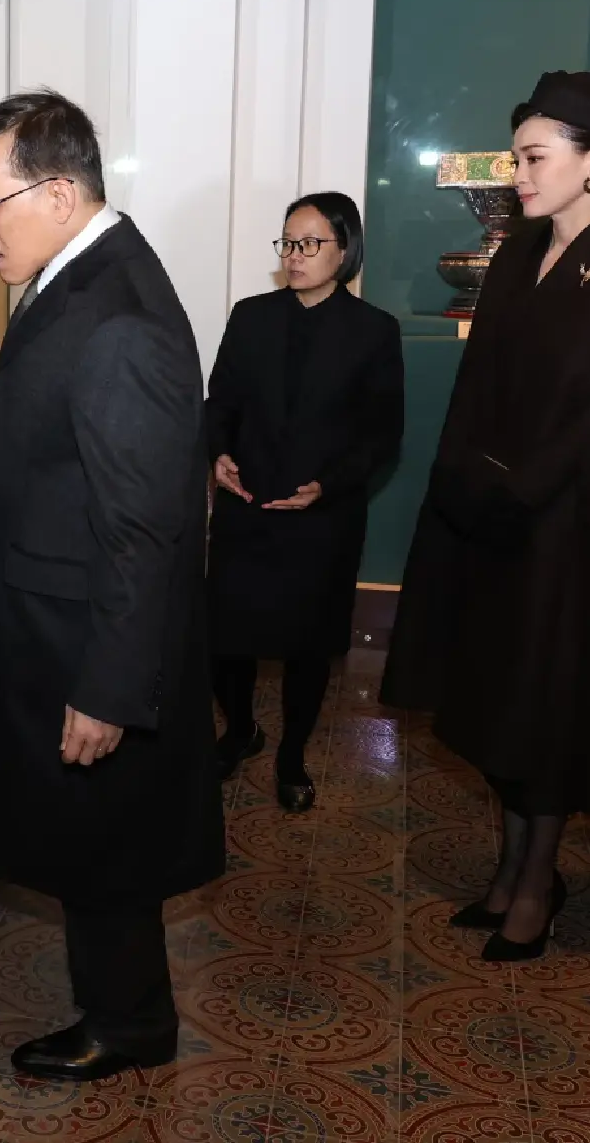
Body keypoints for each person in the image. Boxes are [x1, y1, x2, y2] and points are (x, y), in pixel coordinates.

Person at [0, 90, 224, 1081]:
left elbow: (143, 526)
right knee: (94, 840)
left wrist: (105, 686)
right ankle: (121, 1008)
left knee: (103, 843)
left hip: (86, 639)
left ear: (55, 192)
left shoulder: (115, 314)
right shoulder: (77, 276)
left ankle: (128, 1023)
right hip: (55, 617)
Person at [381, 70, 590, 962]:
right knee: (498, 702)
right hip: (497, 518)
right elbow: (484, 388)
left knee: (548, 708)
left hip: (572, 533)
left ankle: (536, 880)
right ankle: (513, 866)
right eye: (517, 156)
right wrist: (465, 487)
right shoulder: (516, 253)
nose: (517, 173)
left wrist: (521, 486)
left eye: (534, 157)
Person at [206, 193, 403, 811]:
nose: (294, 255)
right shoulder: (251, 316)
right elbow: (221, 403)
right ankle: (240, 730)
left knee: (306, 648)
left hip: (322, 518)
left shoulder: (374, 330)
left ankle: (292, 756)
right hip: (248, 504)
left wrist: (329, 485)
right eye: (288, 242)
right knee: (225, 640)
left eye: (310, 243)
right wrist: (218, 455)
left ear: (345, 250)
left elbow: (382, 434)